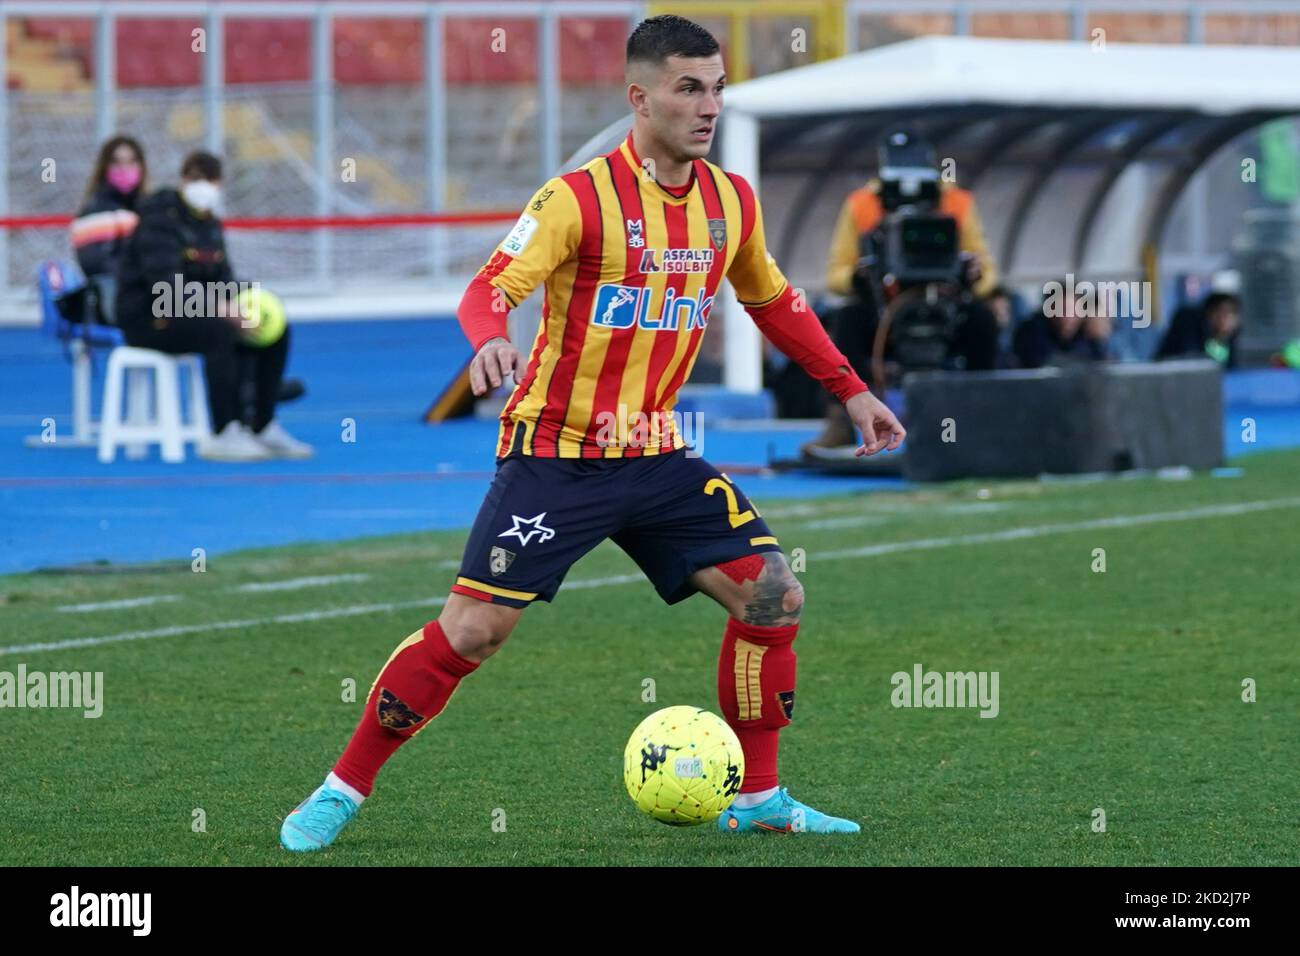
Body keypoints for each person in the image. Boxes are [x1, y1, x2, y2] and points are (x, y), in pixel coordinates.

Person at [279, 14, 906, 851]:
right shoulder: (576, 199)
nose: (709, 106)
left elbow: (776, 304)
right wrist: (490, 337)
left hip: (656, 458)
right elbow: (487, 289)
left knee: (773, 595)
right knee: (472, 631)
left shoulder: (730, 203)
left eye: (717, 88)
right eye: (689, 88)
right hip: (557, 458)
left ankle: (760, 797)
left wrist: (851, 390)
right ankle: (342, 788)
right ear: (639, 97)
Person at [805, 130, 1000, 450]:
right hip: (885, 311)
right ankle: (840, 419)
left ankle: (983, 419)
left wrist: (973, 276)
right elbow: (836, 271)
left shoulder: (957, 202)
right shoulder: (861, 204)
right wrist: (857, 278)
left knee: (983, 320)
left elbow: (988, 270)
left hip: (944, 307)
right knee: (847, 321)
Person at [114, 150, 311, 460]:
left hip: (194, 313)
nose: (202, 186)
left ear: (219, 185)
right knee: (220, 330)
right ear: (182, 180)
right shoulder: (158, 219)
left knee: (273, 327)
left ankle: (261, 423)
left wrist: (247, 305)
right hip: (148, 317)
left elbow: (225, 280)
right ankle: (222, 430)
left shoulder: (210, 225)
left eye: (209, 180)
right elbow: (166, 288)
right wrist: (221, 309)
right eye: (195, 179)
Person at [70, 135, 148, 326]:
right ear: (105, 168)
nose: (125, 169)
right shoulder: (95, 211)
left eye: (131, 162)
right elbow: (97, 264)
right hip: (118, 300)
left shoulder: (146, 208)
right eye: (117, 162)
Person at [1013, 279, 1111, 369]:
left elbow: (1100, 368)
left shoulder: (1087, 334)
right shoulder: (1032, 332)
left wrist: (1097, 339)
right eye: (1062, 310)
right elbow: (1037, 365)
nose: (1068, 317)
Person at [1156, 291, 1240, 368]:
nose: (1227, 319)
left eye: (1232, 314)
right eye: (1223, 313)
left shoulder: (1228, 343)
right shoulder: (1189, 335)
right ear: (1209, 314)